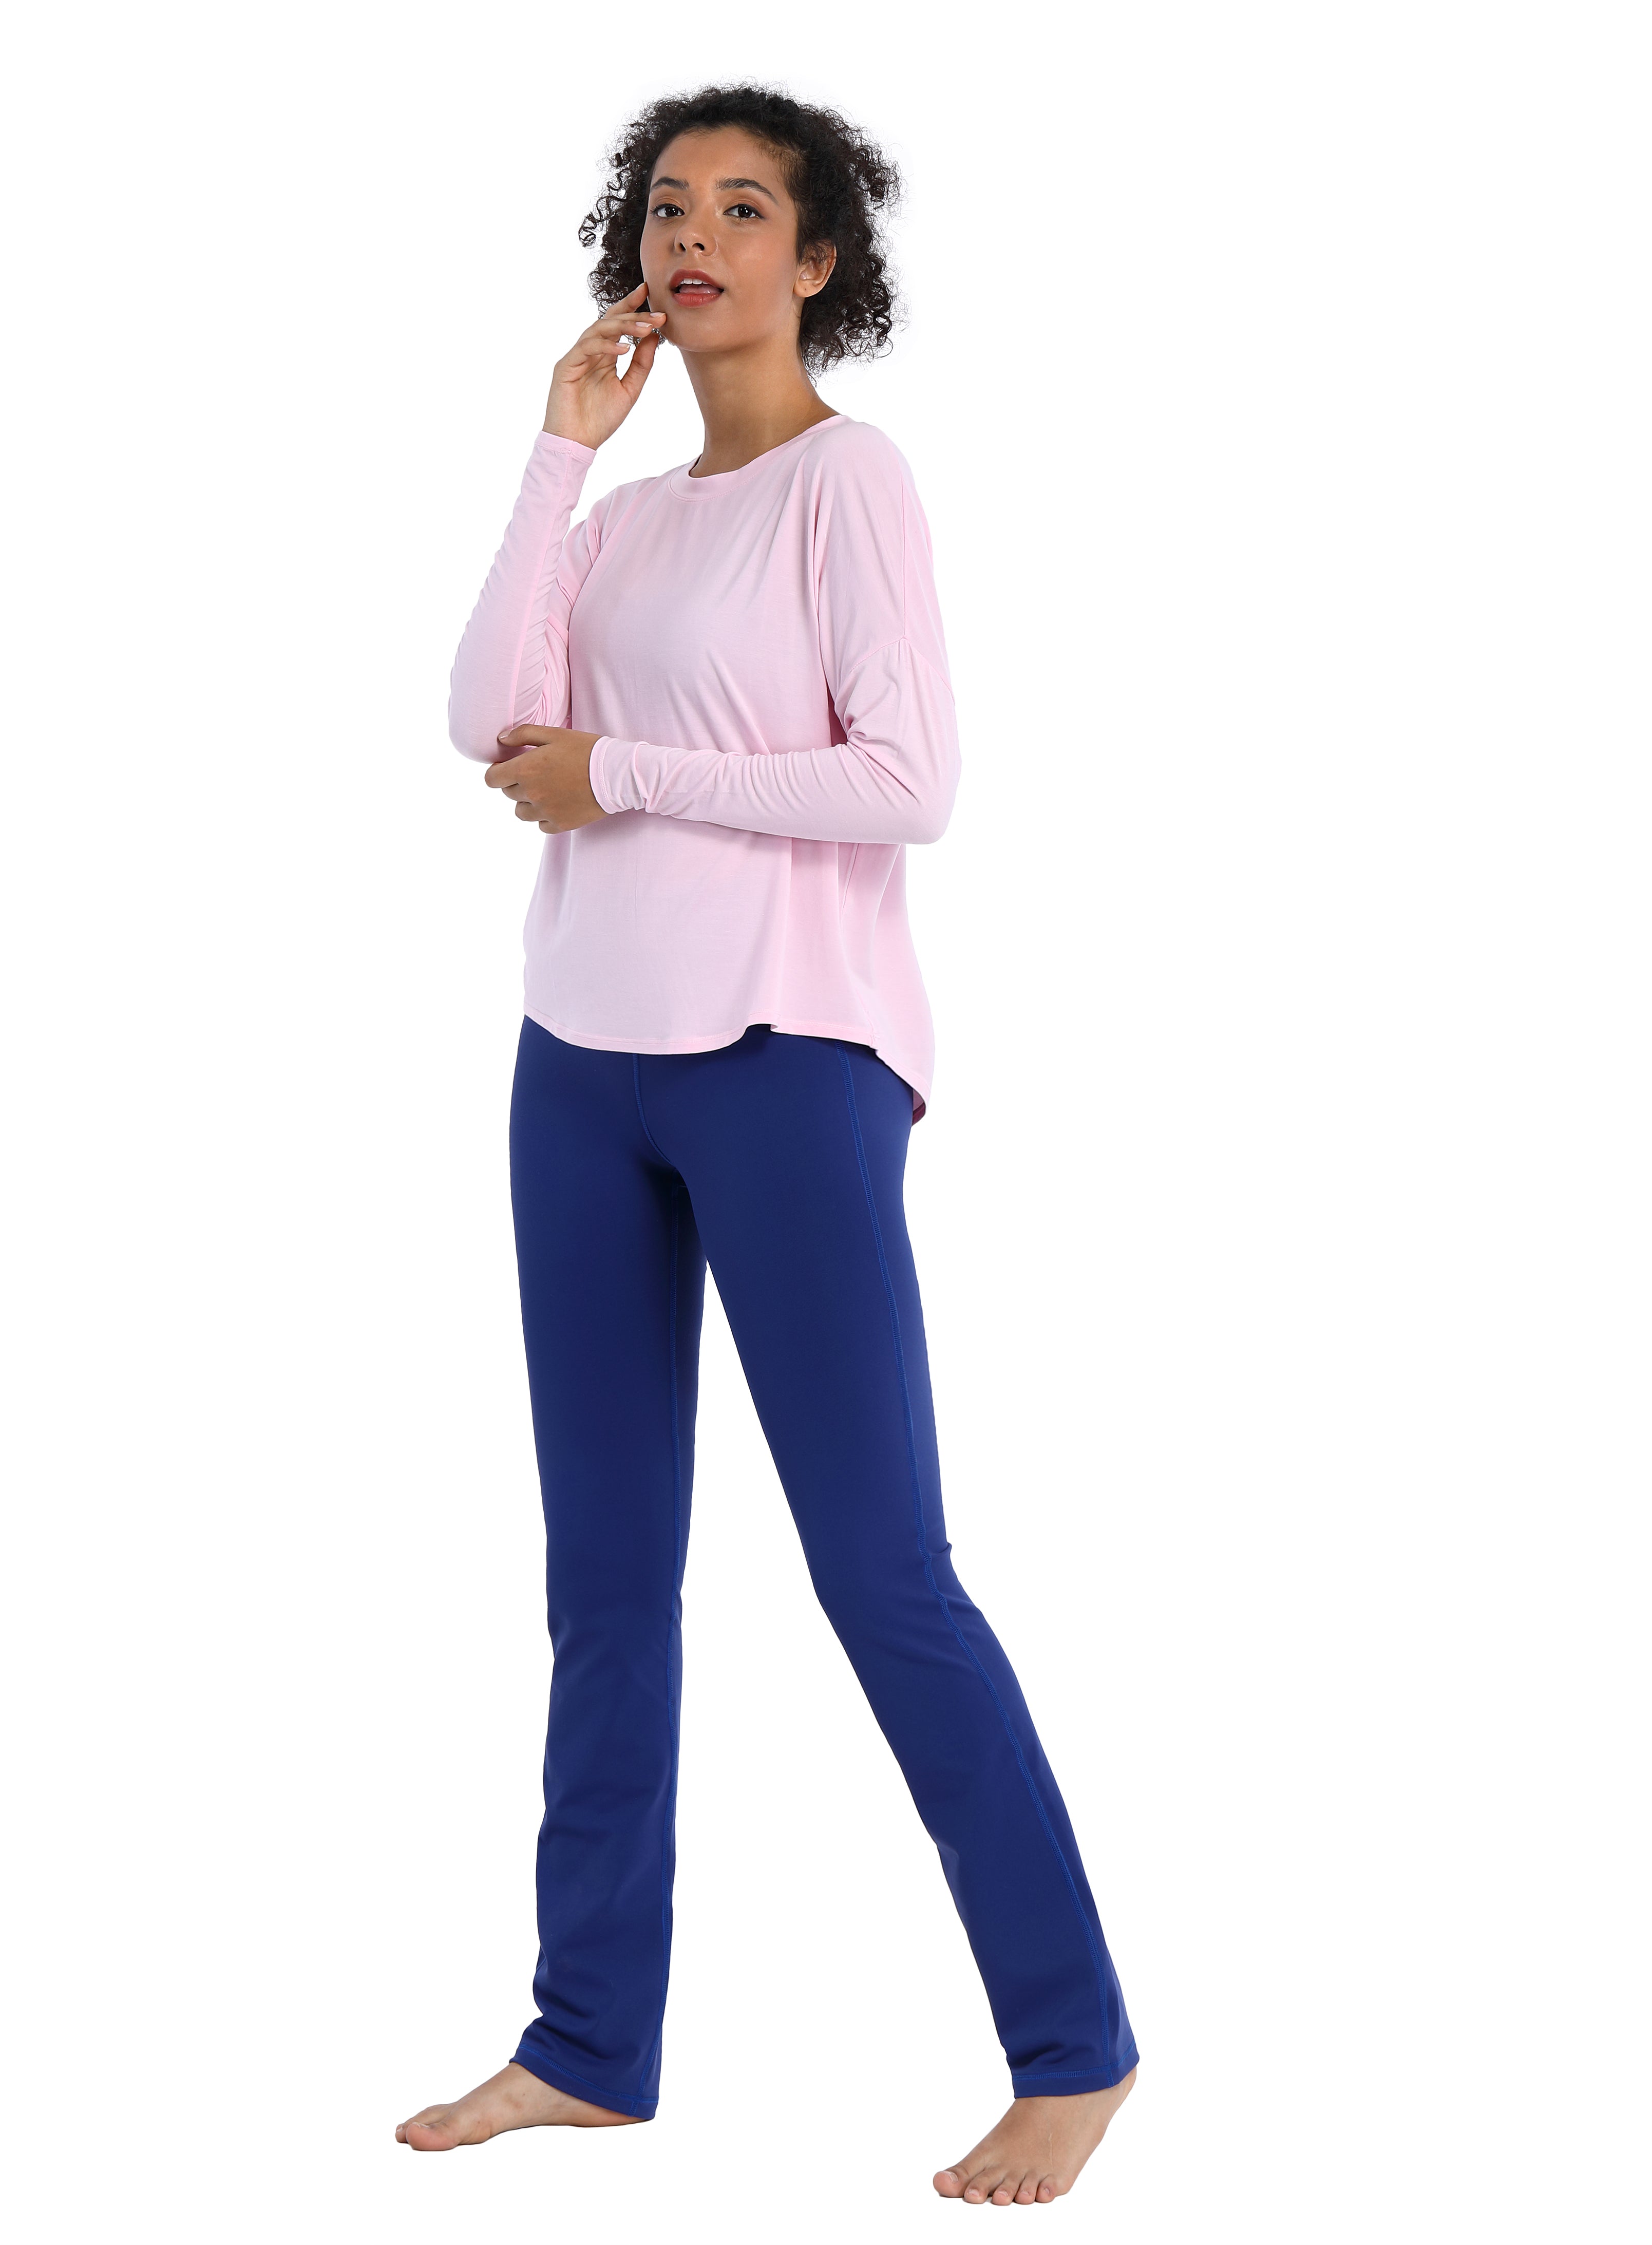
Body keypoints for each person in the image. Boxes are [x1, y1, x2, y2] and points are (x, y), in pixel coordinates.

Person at [395, 83, 1139, 2208]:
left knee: (881, 1568)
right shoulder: (623, 515)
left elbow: (909, 783)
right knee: (605, 1576)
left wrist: (622, 768)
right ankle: (586, 2041)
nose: (694, 232)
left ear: (819, 262)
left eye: (745, 207)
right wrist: (560, 443)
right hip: (578, 1061)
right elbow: (482, 719)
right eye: (667, 203)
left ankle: (1074, 2043)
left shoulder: (851, 482)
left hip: (788, 1057)